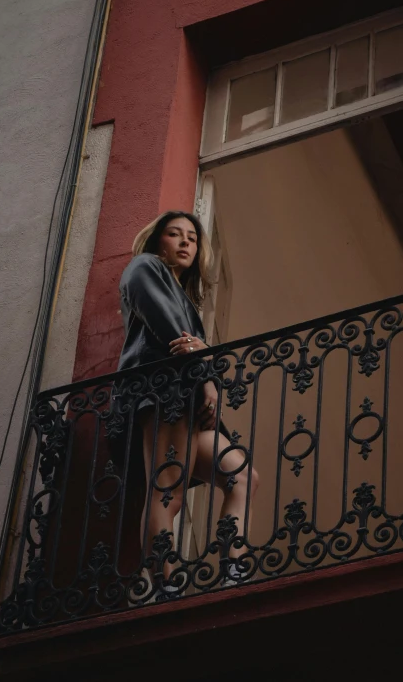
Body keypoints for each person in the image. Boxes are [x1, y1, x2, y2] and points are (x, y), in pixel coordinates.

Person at [116, 210, 259, 590]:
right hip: (163, 389)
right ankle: (168, 586)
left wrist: (205, 366)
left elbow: (194, 346)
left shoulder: (186, 301)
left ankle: (234, 568)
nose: (185, 242)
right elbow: (173, 335)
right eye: (175, 234)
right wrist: (206, 373)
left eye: (192, 238)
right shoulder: (143, 267)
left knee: (242, 475)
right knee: (168, 493)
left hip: (187, 394)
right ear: (157, 241)